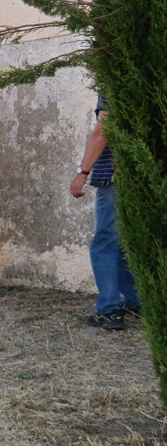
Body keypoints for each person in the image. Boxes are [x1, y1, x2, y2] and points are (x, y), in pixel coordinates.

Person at [69, 94, 140, 330]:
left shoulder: (111, 85)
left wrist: (83, 171)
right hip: (142, 177)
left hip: (114, 178)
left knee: (104, 244)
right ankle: (136, 301)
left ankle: (110, 311)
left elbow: (102, 131)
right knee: (120, 245)